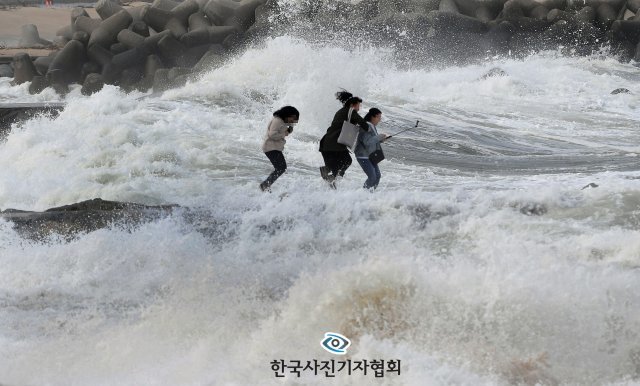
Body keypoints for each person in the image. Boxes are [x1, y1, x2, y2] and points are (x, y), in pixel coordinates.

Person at [319, 90, 369, 188]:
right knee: (347, 161)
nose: (359, 108)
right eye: (358, 105)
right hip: (334, 145)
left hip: (325, 144)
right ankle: (333, 177)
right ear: (352, 105)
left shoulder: (340, 111)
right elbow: (365, 126)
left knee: (335, 169)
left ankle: (328, 174)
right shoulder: (351, 112)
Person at [260, 106, 299, 192]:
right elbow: (272, 135)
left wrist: (288, 131)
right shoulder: (277, 121)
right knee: (281, 167)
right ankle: (265, 185)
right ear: (288, 115)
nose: (293, 121)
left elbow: (282, 132)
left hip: (274, 147)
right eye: (293, 119)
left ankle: (266, 184)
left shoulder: (282, 121)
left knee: (281, 167)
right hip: (270, 147)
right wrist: (285, 133)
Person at [354, 108, 387, 190]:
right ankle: (363, 194)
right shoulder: (366, 126)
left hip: (370, 156)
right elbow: (367, 142)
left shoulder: (372, 126)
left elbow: (372, 141)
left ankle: (370, 194)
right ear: (374, 117)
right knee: (372, 177)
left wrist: (380, 140)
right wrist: (379, 137)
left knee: (377, 176)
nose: (380, 120)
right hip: (363, 156)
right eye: (379, 117)